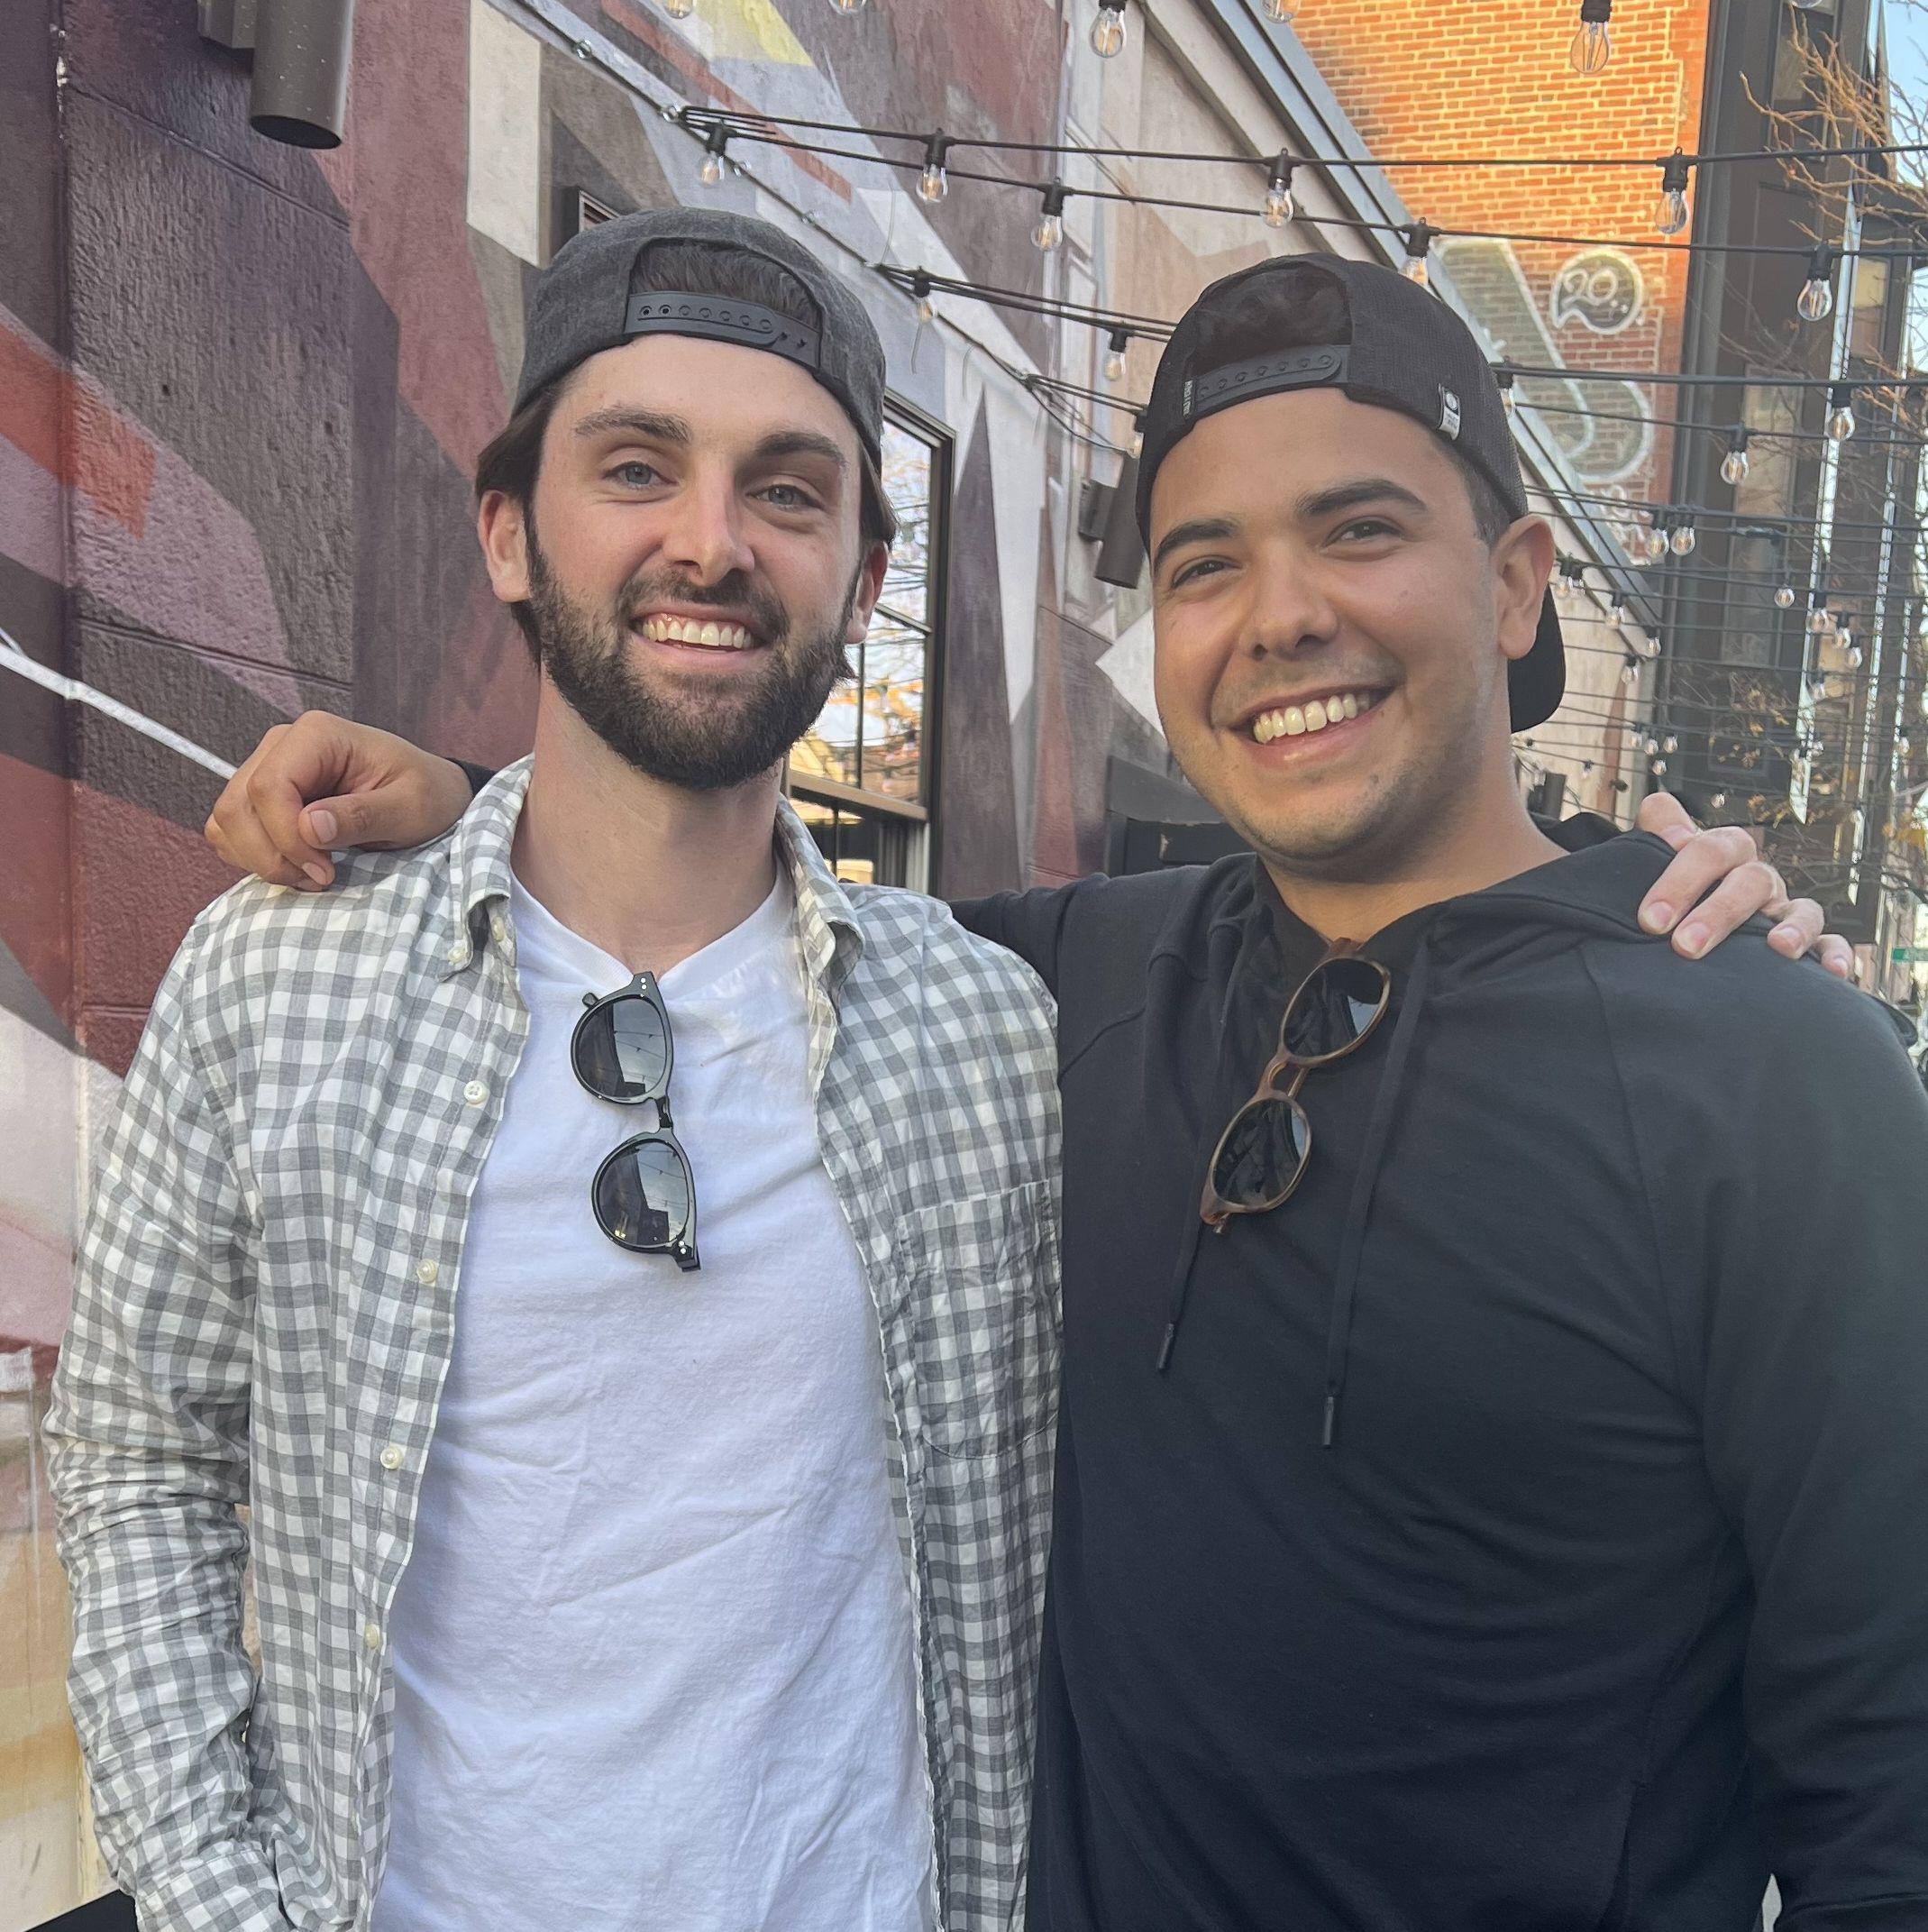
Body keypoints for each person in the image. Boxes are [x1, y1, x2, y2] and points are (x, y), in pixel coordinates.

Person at [196, 261, 1895, 1931]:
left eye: (1360, 531)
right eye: (1204, 564)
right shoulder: (1058, 986)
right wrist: (468, 804)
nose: (1281, 616)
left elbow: (1888, 1818)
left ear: (1517, 588)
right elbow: (703, 879)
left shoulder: (1774, 1079)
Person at [46, 210, 1063, 1932]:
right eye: (637, 469)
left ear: (864, 578)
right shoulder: (281, 979)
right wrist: (216, 1903)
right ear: (511, 533)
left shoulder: (989, 1037)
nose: (710, 543)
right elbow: (142, 1457)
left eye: (787, 490)